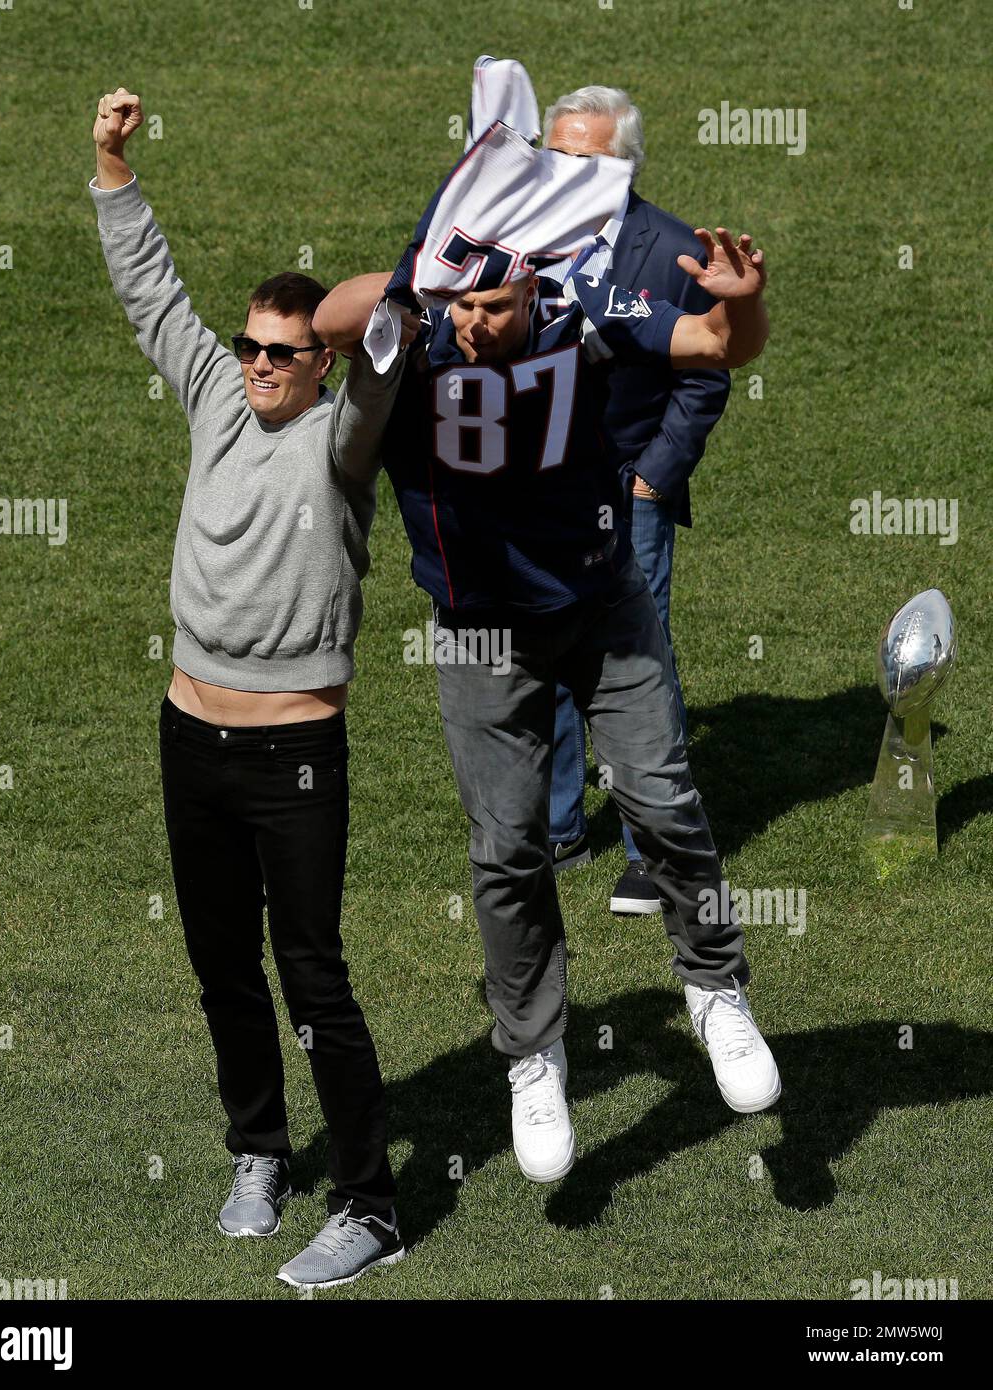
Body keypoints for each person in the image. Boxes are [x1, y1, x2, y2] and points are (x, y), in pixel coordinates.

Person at [313, 201, 782, 1185]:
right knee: (507, 847)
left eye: (495, 303)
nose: (476, 324)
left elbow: (708, 343)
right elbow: (325, 321)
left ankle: (713, 989)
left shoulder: (579, 305)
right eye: (464, 303)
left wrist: (742, 310)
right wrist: (418, 284)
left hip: (601, 600)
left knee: (661, 798)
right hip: (484, 627)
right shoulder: (420, 319)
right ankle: (535, 1053)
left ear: (532, 283)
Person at [90, 86, 412, 1289]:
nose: (258, 367)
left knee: (312, 973)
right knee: (221, 963)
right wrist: (114, 169)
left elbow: (387, 346)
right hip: (190, 738)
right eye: (250, 347)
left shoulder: (343, 435)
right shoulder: (218, 399)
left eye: (282, 352)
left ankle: (372, 1204)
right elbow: (150, 294)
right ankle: (258, 1152)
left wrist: (396, 289)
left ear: (316, 361)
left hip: (295, 758)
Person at [540, 86, 732, 916]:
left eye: (585, 158)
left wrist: (653, 476)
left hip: (630, 486)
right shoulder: (518, 236)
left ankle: (651, 851)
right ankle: (552, 829)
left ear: (626, 165)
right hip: (536, 484)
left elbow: (706, 376)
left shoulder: (676, 250)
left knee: (636, 659)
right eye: (557, 156)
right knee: (539, 645)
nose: (566, 172)